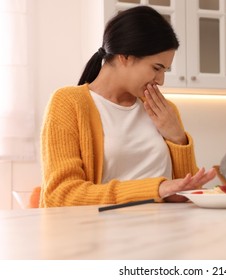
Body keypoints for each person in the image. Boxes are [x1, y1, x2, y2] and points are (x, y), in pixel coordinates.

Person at [39, 6, 216, 207]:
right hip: (103, 234)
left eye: (165, 70)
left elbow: (188, 192)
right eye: (156, 68)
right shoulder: (68, 103)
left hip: (169, 232)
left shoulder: (165, 111)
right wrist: (156, 189)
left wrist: (177, 137)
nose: (161, 80)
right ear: (125, 56)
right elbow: (61, 194)